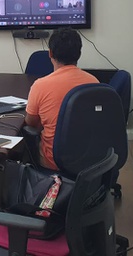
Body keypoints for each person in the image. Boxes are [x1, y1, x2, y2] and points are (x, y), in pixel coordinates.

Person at [25, 28, 98, 170]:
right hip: (88, 159)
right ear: (79, 53)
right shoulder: (94, 82)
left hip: (54, 161)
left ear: (50, 53)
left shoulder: (40, 85)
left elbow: (30, 123)